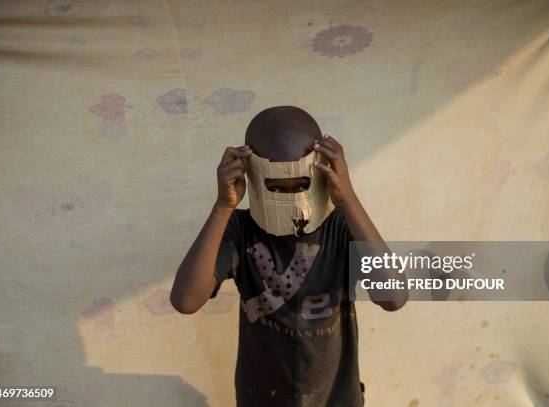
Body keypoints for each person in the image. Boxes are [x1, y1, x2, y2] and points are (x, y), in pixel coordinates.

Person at [170, 106, 408, 407]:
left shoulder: (342, 228)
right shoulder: (240, 229)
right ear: (254, 178)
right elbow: (185, 301)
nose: (292, 201)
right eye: (276, 189)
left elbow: (394, 296)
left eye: (300, 185)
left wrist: (347, 198)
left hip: (336, 398)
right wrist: (223, 206)